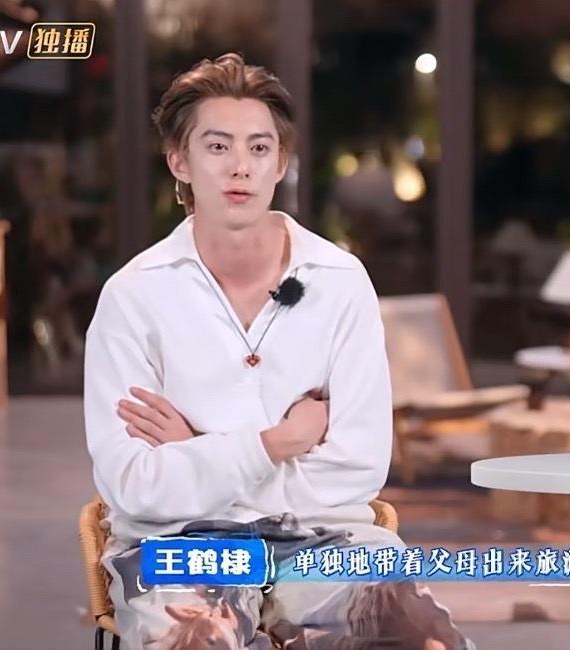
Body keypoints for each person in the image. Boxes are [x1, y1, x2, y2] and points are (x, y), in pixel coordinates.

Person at [83, 53, 472, 650]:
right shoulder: (133, 296)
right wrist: (275, 443)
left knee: (420, 637)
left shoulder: (339, 282)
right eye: (217, 147)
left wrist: (200, 449)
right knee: (190, 640)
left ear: (281, 163)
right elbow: (135, 485)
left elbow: (358, 469)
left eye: (259, 148)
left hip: (327, 539)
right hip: (179, 541)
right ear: (179, 161)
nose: (240, 166)